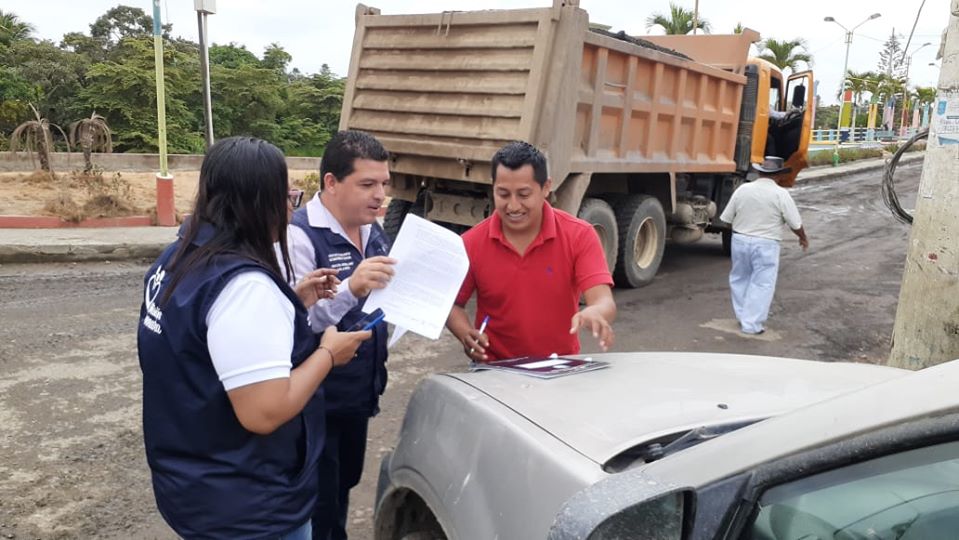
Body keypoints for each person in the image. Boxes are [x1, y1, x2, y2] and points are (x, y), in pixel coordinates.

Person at [137, 136, 371, 539]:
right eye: (286, 197)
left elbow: (203, 342)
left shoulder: (180, 255)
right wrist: (328, 355)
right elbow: (263, 412)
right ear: (257, 202)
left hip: (195, 478)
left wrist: (291, 302)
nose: (290, 209)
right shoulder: (244, 286)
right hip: (249, 504)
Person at [286, 130, 396, 540]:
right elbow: (297, 321)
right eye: (367, 184)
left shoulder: (373, 229)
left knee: (345, 484)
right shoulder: (299, 235)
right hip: (316, 400)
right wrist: (352, 287)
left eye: (383, 183)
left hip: (360, 391)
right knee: (321, 503)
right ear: (331, 182)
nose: (379, 195)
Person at [447, 140, 616, 362]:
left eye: (524, 194)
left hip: (558, 367)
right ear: (493, 187)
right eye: (503, 194)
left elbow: (604, 301)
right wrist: (465, 333)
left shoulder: (579, 236)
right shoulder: (471, 243)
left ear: (546, 187)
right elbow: (451, 303)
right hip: (493, 369)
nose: (513, 206)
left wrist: (596, 311)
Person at [720, 155, 809, 335]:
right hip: (766, 243)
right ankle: (752, 324)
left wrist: (741, 232)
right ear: (779, 175)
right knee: (762, 283)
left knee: (739, 278)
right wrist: (803, 238)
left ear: (760, 172)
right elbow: (795, 223)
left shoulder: (743, 189)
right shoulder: (781, 194)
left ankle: (742, 316)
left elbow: (727, 219)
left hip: (740, 239)